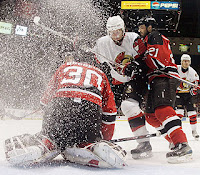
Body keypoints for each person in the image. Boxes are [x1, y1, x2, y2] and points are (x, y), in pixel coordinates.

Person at [4, 53, 127, 168]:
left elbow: (46, 99)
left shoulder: (65, 66)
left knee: (52, 136)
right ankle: (90, 145)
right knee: (85, 138)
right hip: (90, 108)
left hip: (62, 103)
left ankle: (46, 143)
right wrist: (105, 138)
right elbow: (110, 112)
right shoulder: (101, 74)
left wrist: (48, 126)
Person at [123, 17, 192, 163]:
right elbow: (145, 62)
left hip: (165, 77)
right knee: (150, 116)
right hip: (155, 79)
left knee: (162, 109)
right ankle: (174, 141)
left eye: (142, 27)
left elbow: (158, 60)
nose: (139, 30)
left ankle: (182, 144)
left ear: (149, 27)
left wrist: (138, 62)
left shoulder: (154, 36)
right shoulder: (147, 40)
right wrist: (135, 64)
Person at [92, 15, 152, 159]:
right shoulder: (102, 43)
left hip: (135, 79)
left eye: (118, 31)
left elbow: (146, 60)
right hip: (116, 82)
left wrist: (135, 66)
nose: (116, 35)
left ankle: (144, 143)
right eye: (112, 32)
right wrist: (83, 46)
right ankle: (96, 139)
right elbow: (95, 60)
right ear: (108, 32)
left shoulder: (134, 39)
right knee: (103, 108)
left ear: (123, 29)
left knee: (128, 106)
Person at [175, 54, 199, 140]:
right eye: (184, 61)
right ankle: (178, 131)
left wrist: (194, 90)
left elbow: (196, 83)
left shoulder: (192, 72)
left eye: (188, 61)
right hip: (178, 94)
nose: (186, 62)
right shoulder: (176, 69)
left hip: (188, 95)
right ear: (181, 62)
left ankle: (194, 131)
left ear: (190, 62)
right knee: (179, 113)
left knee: (192, 113)